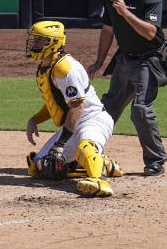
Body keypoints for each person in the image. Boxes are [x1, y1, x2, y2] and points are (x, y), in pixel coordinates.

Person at [87, 0, 167, 176]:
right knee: (106, 108)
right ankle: (87, 152)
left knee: (140, 110)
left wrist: (125, 12)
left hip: (147, 61)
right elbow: (108, 29)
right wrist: (99, 61)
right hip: (124, 59)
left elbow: (151, 33)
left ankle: (155, 160)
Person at [24, 21, 122, 197]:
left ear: (54, 43)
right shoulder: (45, 68)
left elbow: (77, 107)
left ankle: (99, 180)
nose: (35, 45)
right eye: (35, 40)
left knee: (85, 147)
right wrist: (34, 119)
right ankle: (104, 164)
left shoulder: (65, 68)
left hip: (93, 119)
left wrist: (60, 145)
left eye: (41, 41)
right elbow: (56, 104)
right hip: (73, 125)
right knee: (40, 168)